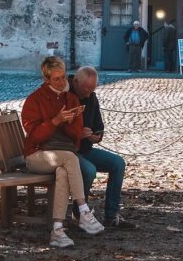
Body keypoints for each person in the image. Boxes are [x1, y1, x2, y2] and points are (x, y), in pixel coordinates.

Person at [21, 55, 105, 248]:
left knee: (63, 172)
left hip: (62, 156)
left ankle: (57, 230)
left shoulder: (71, 98)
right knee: (69, 158)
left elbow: (76, 136)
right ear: (47, 79)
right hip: (37, 154)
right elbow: (34, 137)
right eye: (56, 79)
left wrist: (70, 122)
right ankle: (84, 211)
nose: (61, 82)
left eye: (63, 77)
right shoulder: (35, 100)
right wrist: (55, 121)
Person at [69, 66, 133, 229]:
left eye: (92, 89)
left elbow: (99, 128)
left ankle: (111, 215)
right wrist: (77, 134)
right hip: (69, 151)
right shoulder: (65, 95)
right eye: (86, 89)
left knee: (118, 163)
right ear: (76, 82)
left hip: (86, 148)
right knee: (89, 170)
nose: (88, 93)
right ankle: (79, 213)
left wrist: (94, 136)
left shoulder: (91, 98)